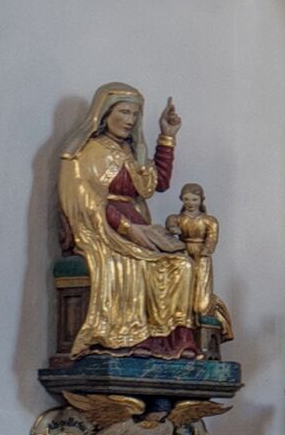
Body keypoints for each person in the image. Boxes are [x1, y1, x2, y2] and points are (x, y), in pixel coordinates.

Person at [56, 84, 218, 358]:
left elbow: (157, 184)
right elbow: (89, 202)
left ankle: (170, 342)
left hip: (139, 228)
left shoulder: (130, 152)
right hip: (105, 230)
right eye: (124, 111)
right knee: (129, 265)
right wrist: (129, 229)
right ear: (105, 114)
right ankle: (128, 339)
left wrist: (167, 137)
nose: (130, 120)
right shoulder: (89, 152)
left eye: (135, 114)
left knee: (181, 265)